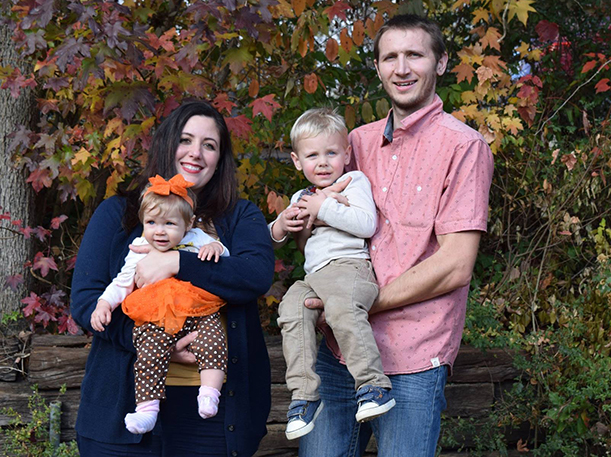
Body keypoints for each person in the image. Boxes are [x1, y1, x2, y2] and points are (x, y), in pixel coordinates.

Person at [299, 14, 494, 456]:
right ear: (379, 67)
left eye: (414, 55)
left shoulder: (463, 147)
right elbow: (321, 233)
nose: (402, 68)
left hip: (412, 356)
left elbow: (455, 265)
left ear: (441, 63)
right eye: (391, 56)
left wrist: (356, 304)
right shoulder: (354, 143)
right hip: (338, 353)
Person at [71, 100, 275, 456]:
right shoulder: (119, 214)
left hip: (212, 418)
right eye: (185, 140)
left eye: (209, 145)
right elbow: (86, 301)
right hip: (123, 416)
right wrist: (154, 344)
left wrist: (177, 263)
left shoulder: (241, 216)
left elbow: (255, 276)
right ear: (167, 144)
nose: (196, 153)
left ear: (220, 158)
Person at [269, 108, 395, 440]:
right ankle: (303, 396)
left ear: (346, 153)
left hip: (349, 270)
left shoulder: (354, 182)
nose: (323, 162)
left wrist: (323, 208)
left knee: (341, 309)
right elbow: (280, 235)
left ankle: (373, 386)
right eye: (313, 155)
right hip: (314, 278)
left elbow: (367, 224)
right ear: (297, 161)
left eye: (331, 152)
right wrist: (284, 224)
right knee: (290, 310)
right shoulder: (301, 196)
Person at [91, 173, 230, 435]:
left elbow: (226, 255)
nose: (160, 231)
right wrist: (103, 304)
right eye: (152, 222)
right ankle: (146, 410)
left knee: (213, 338)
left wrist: (217, 249)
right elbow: (122, 282)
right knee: (149, 350)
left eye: (169, 223)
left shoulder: (198, 238)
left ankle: (210, 393)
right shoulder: (140, 247)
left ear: (188, 224)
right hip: (156, 313)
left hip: (197, 307)